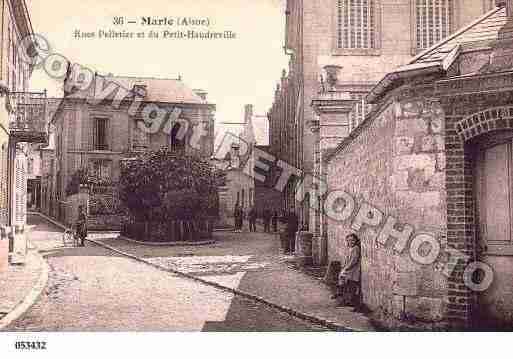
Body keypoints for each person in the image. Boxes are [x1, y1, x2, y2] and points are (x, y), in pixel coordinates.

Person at [333, 233, 362, 311]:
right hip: (349, 270)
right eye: (349, 240)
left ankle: (351, 303)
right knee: (347, 285)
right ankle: (344, 299)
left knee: (352, 286)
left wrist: (346, 268)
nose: (351, 242)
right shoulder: (350, 249)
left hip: (353, 270)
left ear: (356, 241)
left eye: (352, 240)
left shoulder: (356, 248)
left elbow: (353, 261)